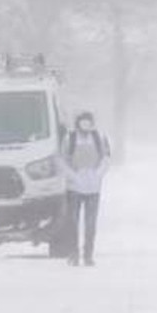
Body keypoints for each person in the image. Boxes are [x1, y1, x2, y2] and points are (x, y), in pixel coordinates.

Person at [61, 111, 110, 267]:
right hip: (74, 188)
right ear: (78, 123)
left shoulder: (99, 138)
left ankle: (88, 255)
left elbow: (106, 158)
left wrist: (98, 175)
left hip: (93, 188)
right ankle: (73, 254)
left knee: (90, 224)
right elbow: (63, 159)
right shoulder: (70, 138)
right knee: (73, 222)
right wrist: (72, 176)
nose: (85, 125)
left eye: (88, 122)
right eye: (83, 122)